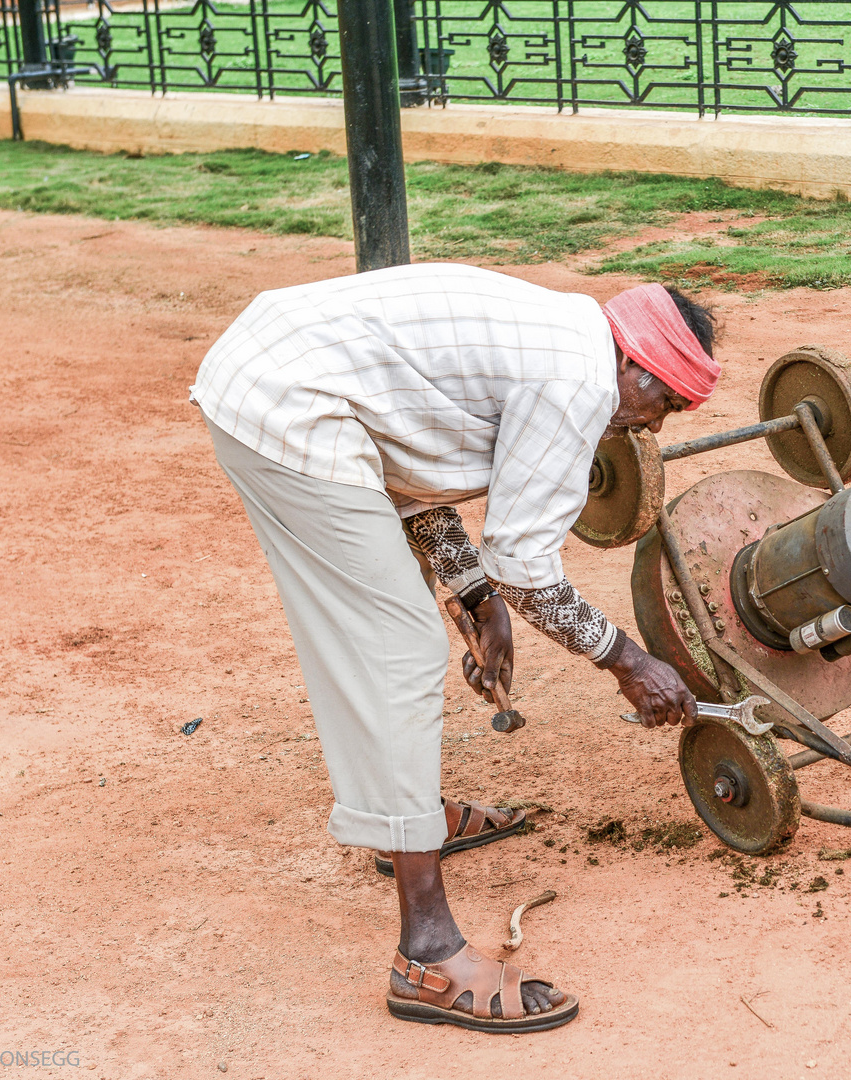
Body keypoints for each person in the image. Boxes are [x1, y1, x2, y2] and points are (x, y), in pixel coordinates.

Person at [191, 264, 718, 1033]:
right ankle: (428, 955)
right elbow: (528, 570)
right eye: (663, 401)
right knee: (398, 647)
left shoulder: (567, 336)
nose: (655, 426)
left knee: (398, 628)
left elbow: (408, 460)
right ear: (636, 365)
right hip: (285, 406)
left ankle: (409, 816)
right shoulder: (578, 383)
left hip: (283, 373)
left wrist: (473, 592)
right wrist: (628, 663)